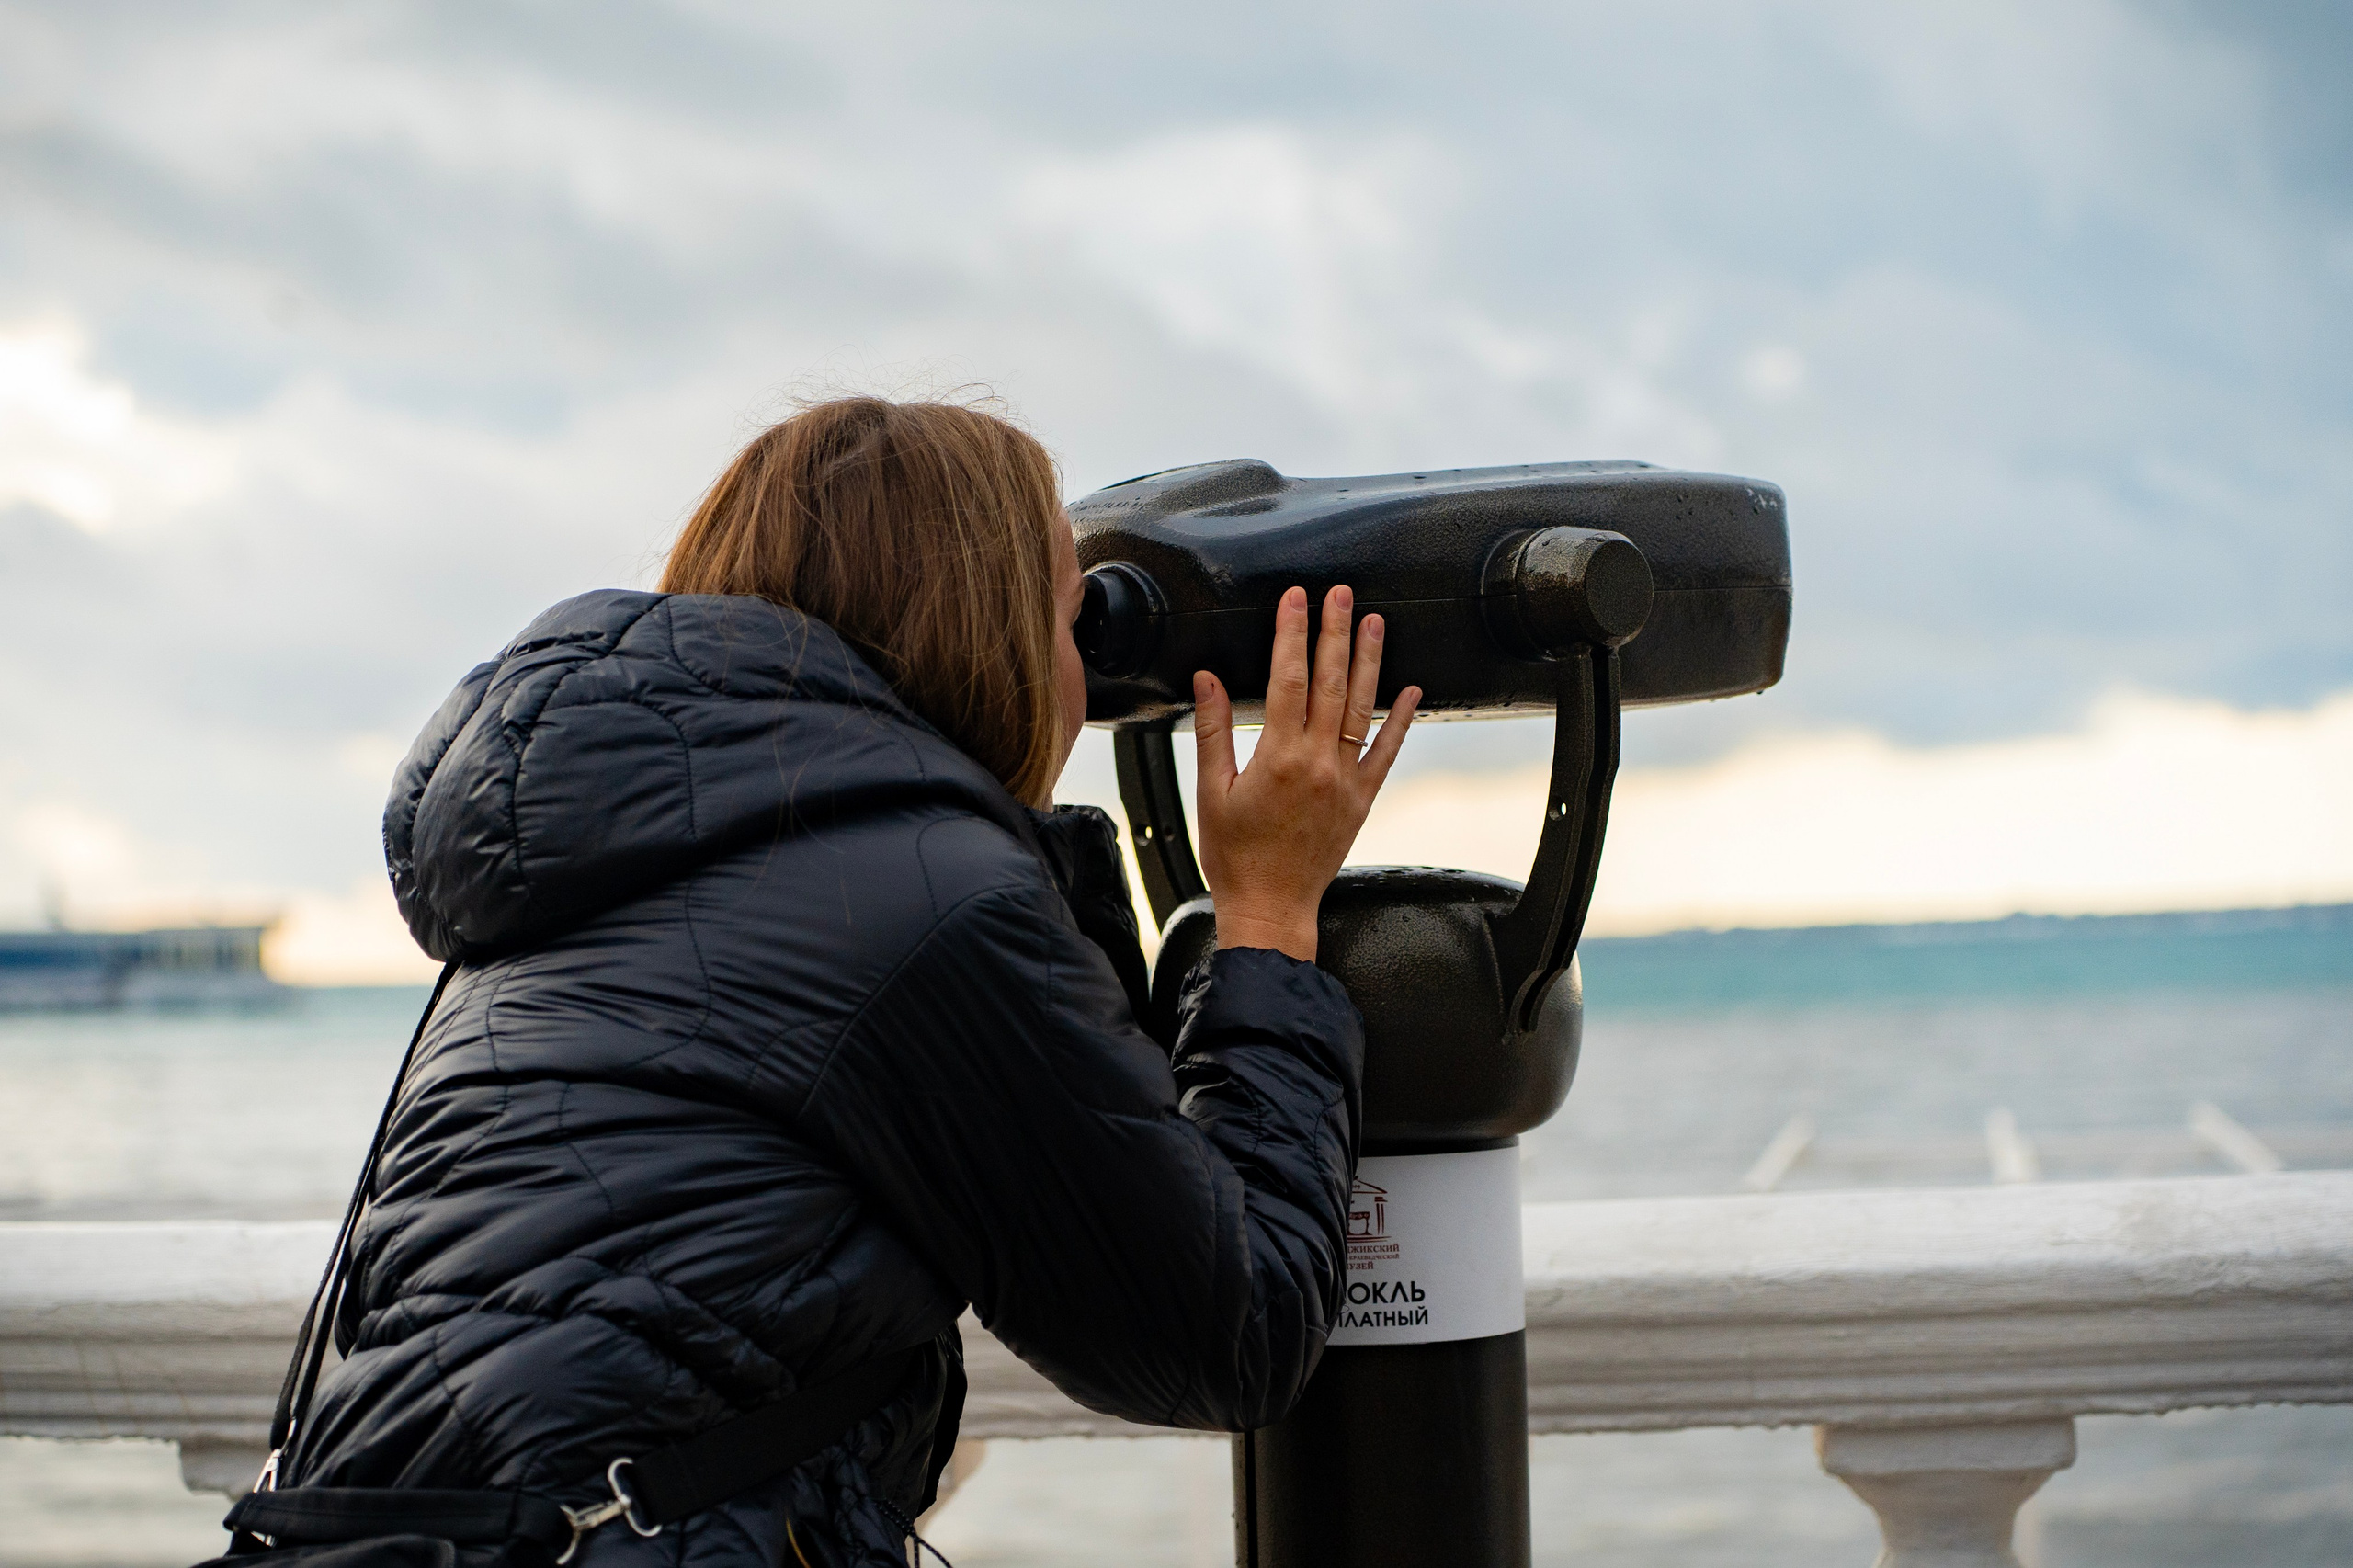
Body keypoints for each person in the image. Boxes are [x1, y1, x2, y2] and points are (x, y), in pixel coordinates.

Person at [272, 396, 1419, 1567]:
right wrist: (1269, 915)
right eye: (1072, 623)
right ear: (990, 631)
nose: (1082, 672)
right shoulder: (920, 900)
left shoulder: (571, 869)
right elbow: (1226, 1331)